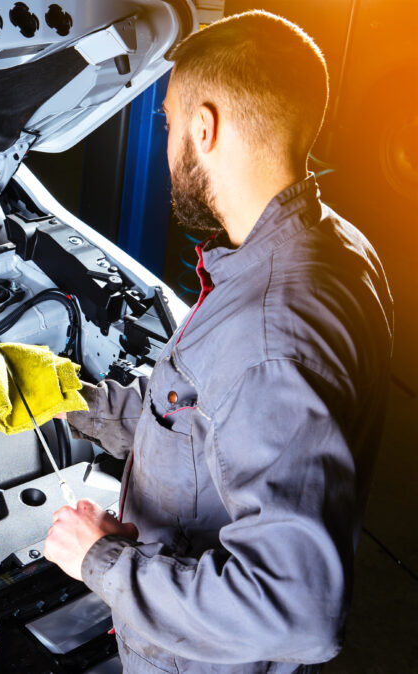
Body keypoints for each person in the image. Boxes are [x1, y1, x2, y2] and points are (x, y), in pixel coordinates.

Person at [43, 10, 393, 674]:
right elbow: (204, 424)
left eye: (170, 124)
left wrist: (101, 559)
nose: (169, 142)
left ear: (204, 128)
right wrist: (70, 398)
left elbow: (294, 612)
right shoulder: (336, 247)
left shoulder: (268, 331)